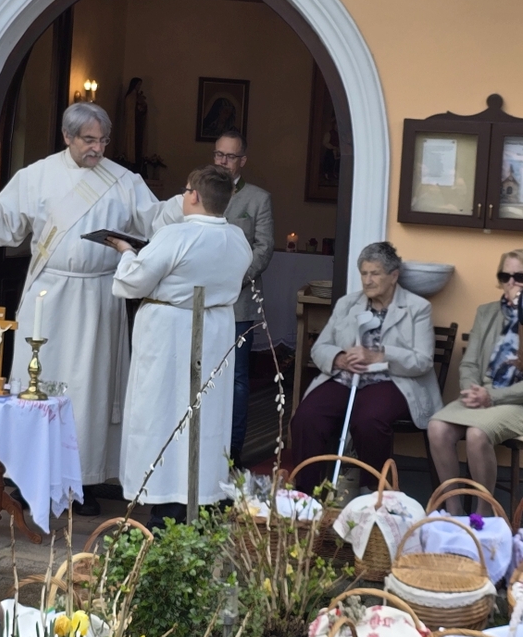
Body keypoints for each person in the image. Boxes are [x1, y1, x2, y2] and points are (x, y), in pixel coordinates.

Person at [0, 102, 183, 515]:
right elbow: (5, 227)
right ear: (67, 136)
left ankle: (82, 480)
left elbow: (155, 219)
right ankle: (31, 478)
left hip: (99, 297)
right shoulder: (36, 176)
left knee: (90, 393)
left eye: (103, 140)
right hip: (48, 295)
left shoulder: (124, 181)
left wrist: (188, 203)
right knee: (37, 387)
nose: (97, 148)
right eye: (88, 140)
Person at [109, 165, 252, 529]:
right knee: (205, 416)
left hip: (170, 332)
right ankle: (199, 501)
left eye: (186, 190)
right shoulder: (238, 239)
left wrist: (126, 251)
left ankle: (164, 507)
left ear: (194, 196)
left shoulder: (176, 234)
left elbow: (133, 281)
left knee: (161, 416)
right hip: (215, 330)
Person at [290, 241, 441, 493]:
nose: (367, 281)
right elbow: (320, 347)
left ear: (394, 276)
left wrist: (377, 355)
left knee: (369, 420)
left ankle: (373, 493)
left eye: (375, 274)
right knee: (307, 417)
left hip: (392, 380)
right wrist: (339, 358)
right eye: (364, 273)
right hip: (345, 377)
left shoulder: (417, 308)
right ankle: (307, 496)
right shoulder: (347, 304)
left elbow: (423, 360)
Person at [428, 249, 523, 515]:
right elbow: (469, 363)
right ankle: (454, 510)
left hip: (516, 400)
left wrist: (492, 397)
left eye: (519, 276)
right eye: (505, 276)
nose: (512, 283)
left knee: (476, 434)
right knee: (437, 427)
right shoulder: (487, 312)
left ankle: (484, 513)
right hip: (483, 393)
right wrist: (472, 390)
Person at [213, 128, 274, 464]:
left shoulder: (257, 199)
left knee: (236, 379)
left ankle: (233, 452)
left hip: (240, 302)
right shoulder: (198, 192)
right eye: (219, 155)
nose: (223, 162)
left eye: (230, 156)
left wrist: (235, 278)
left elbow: (264, 248)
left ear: (243, 160)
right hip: (202, 302)